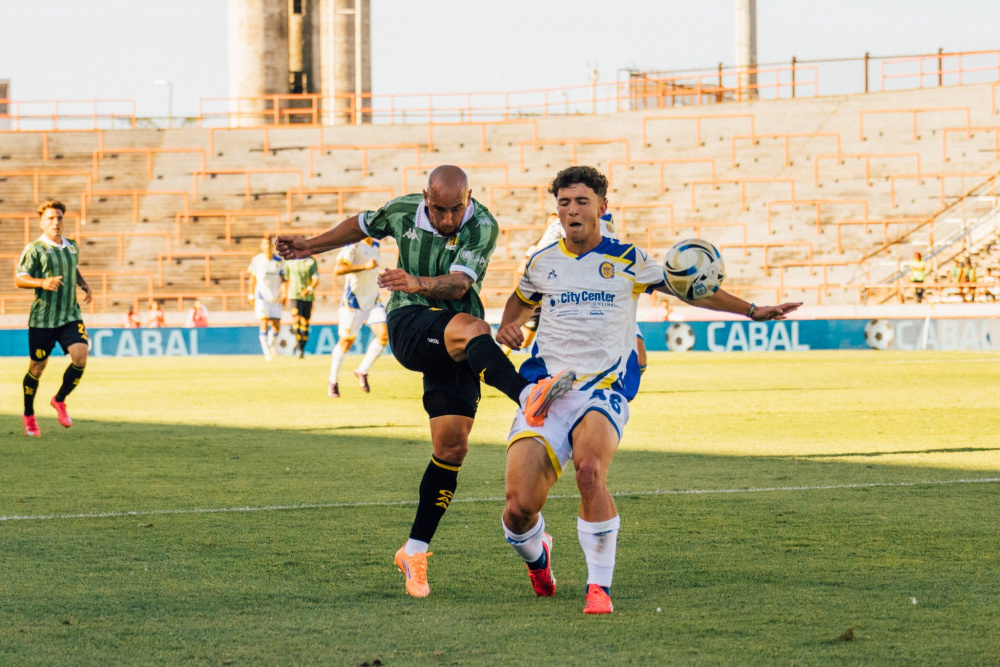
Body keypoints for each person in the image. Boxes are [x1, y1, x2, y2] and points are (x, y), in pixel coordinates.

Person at [495, 166, 802, 614]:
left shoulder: (629, 259)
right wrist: (510, 326)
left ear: (602, 206)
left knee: (589, 470)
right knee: (519, 508)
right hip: (545, 391)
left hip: (603, 389)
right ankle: (538, 556)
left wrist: (753, 309)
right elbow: (519, 303)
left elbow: (687, 289)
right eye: (564, 203)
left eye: (582, 202)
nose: (572, 210)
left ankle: (599, 587)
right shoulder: (542, 262)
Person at [275, 165, 575, 599]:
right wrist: (309, 246)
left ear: (468, 199)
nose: (449, 218)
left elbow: (457, 285)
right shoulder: (402, 211)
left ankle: (415, 551)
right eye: (439, 209)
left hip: (454, 336)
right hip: (411, 323)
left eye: (457, 209)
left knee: (452, 448)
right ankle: (529, 394)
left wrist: (417, 278)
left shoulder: (482, 224)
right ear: (425, 198)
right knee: (476, 328)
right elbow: (360, 224)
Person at [503, 210, 650, 387]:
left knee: (640, 359)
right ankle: (508, 371)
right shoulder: (543, 246)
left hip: (607, 297)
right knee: (528, 340)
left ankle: (605, 392)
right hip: (557, 299)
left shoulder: (602, 223)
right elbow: (525, 269)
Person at [15, 200, 94, 437]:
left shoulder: (71, 246)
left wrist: (83, 283)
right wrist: (41, 282)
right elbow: (19, 279)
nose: (55, 222)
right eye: (50, 218)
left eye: (59, 218)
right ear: (42, 223)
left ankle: (59, 400)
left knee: (80, 356)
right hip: (43, 320)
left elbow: (73, 268)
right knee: (37, 368)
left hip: (70, 315)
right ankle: (29, 414)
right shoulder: (35, 249)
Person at [327, 238, 387, 396]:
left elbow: (372, 271)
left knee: (384, 335)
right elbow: (338, 269)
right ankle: (333, 381)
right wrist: (364, 267)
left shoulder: (376, 245)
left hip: (373, 299)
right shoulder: (352, 246)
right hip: (354, 301)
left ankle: (362, 370)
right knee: (346, 342)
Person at [247, 236, 287, 361]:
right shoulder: (257, 260)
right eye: (264, 244)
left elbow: (284, 279)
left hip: (275, 296)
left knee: (276, 326)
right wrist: (251, 294)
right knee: (263, 322)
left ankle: (270, 343)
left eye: (269, 244)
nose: (267, 246)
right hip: (261, 296)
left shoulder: (279, 260)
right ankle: (266, 352)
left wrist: (284, 293)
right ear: (261, 246)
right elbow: (252, 279)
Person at [284, 256, 319, 358]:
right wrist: (284, 294)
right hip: (294, 295)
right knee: (297, 319)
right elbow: (286, 279)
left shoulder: (311, 261)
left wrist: (309, 289)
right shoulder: (289, 261)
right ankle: (298, 345)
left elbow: (316, 279)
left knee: (305, 324)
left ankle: (301, 348)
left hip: (307, 296)